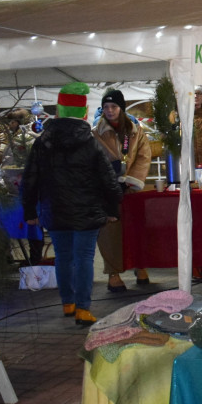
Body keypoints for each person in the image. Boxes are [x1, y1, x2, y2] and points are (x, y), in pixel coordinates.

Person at [22, 82, 122, 325]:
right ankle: (83, 309)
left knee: (63, 256)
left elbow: (29, 179)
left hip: (53, 211)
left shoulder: (42, 142)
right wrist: (112, 209)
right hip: (87, 212)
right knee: (84, 258)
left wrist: (29, 211)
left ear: (58, 112)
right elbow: (108, 180)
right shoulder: (90, 143)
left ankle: (67, 302)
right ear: (84, 114)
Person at [93, 88, 152, 292]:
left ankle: (140, 266)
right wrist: (111, 176)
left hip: (132, 189)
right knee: (110, 233)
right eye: (106, 107)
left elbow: (145, 155)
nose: (109, 110)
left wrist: (132, 179)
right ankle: (113, 273)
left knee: (137, 229)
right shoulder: (96, 133)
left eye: (114, 106)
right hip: (108, 191)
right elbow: (94, 162)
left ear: (121, 108)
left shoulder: (135, 131)